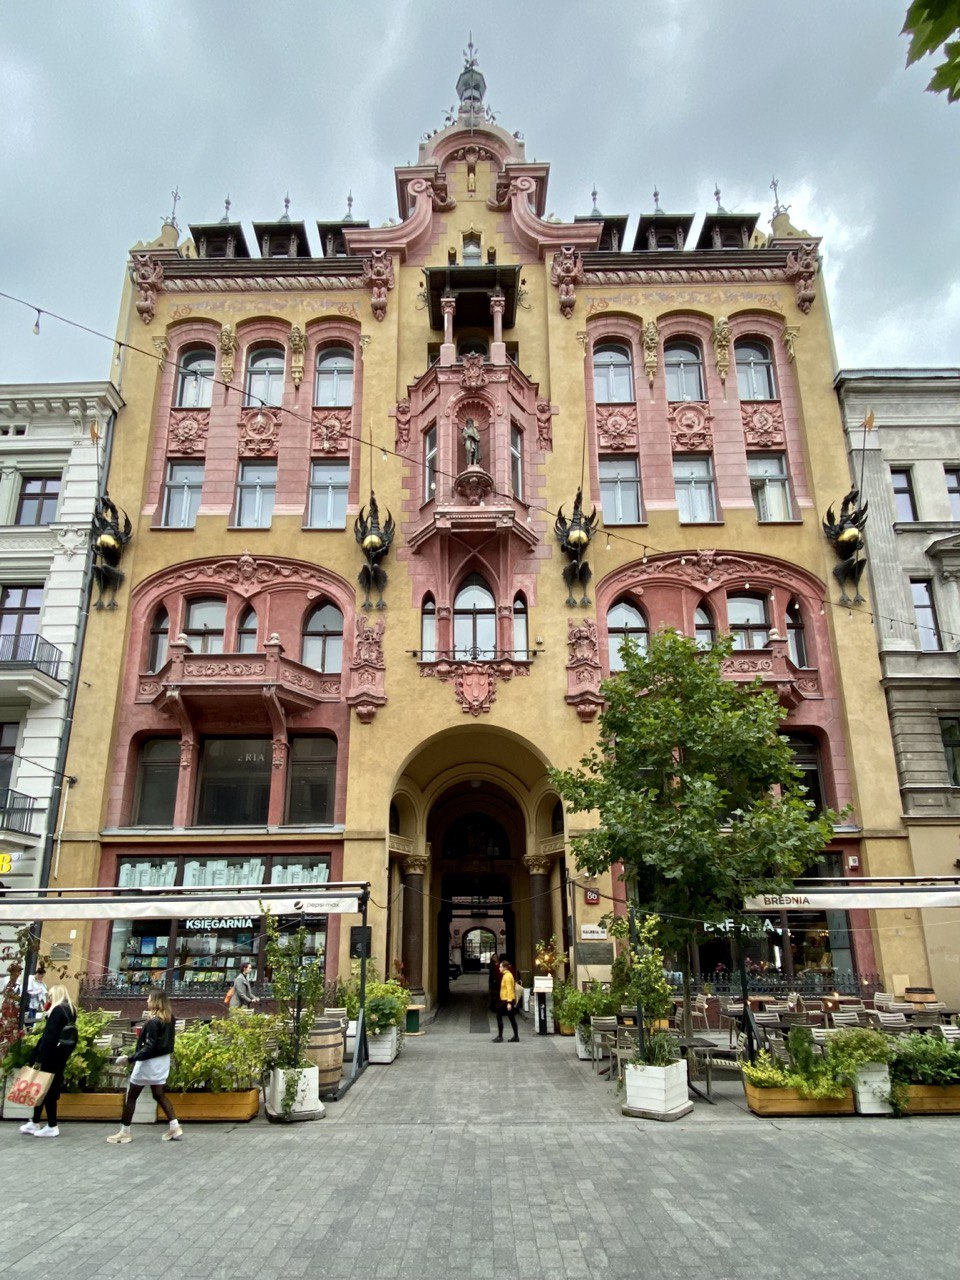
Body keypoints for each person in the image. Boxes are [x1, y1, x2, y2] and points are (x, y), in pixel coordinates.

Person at [107, 990, 182, 1144]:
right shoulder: (169, 1019)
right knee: (158, 1094)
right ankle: (174, 1125)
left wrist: (130, 1059)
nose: (147, 1000)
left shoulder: (153, 1022)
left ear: (155, 1001)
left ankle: (124, 1131)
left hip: (148, 1062)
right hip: (162, 1061)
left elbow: (149, 1046)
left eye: (149, 998)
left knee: (132, 1095)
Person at [20, 984, 78, 1139]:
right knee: (43, 1090)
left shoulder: (58, 1011)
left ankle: (52, 1125)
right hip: (60, 1056)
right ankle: (35, 1121)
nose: (49, 999)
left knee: (46, 1091)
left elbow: (48, 1037)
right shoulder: (70, 1011)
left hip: (49, 1057)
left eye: (51, 996)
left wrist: (38, 1058)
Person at [492, 954, 519, 1043]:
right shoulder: (507, 975)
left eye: (500, 967)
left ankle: (500, 1036)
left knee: (499, 1016)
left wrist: (509, 1002)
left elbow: (510, 989)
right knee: (511, 1018)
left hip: (506, 1000)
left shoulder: (507, 976)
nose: (499, 968)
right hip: (507, 999)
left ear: (504, 967)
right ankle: (516, 1036)